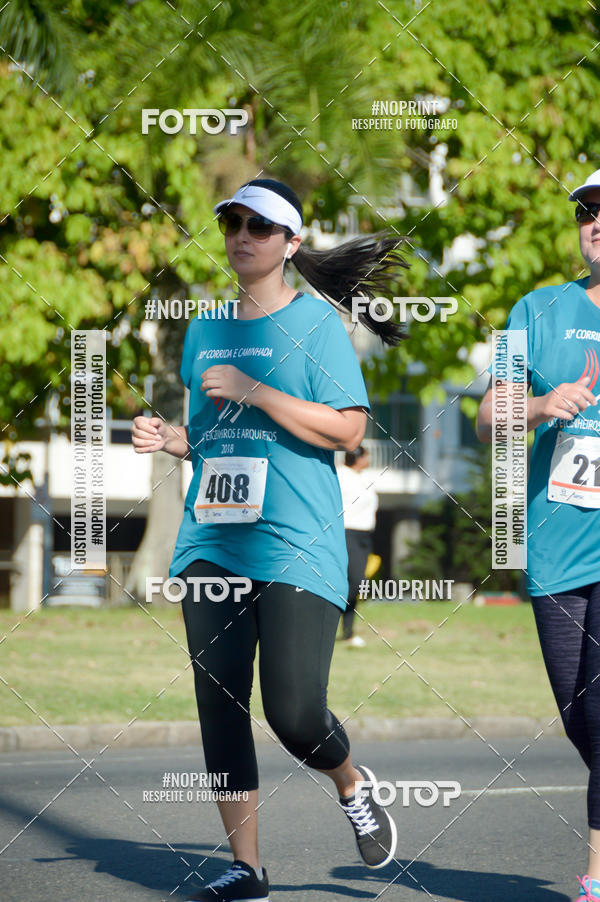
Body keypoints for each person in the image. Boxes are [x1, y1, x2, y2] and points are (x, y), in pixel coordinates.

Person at [131, 178, 408, 901]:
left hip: (296, 542)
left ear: (288, 243)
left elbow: (350, 429)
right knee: (220, 704)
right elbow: (215, 440)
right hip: (212, 544)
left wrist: (259, 391)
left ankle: (350, 783)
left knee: (293, 712)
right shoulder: (205, 329)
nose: (240, 235)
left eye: (258, 225)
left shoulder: (317, 326)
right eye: (230, 222)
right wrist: (171, 439)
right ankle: (245, 867)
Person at [476, 168, 600, 902]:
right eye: (587, 209)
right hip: (554, 545)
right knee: (576, 714)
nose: (596, 221)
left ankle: (594, 874)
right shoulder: (534, 308)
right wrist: (541, 403)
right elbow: (489, 414)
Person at [337, 445, 378, 646]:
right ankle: (331, 619)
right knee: (353, 582)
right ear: (358, 457)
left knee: (359, 583)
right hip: (347, 532)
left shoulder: (363, 478)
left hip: (364, 535)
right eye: (367, 455)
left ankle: (348, 631)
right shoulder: (340, 474)